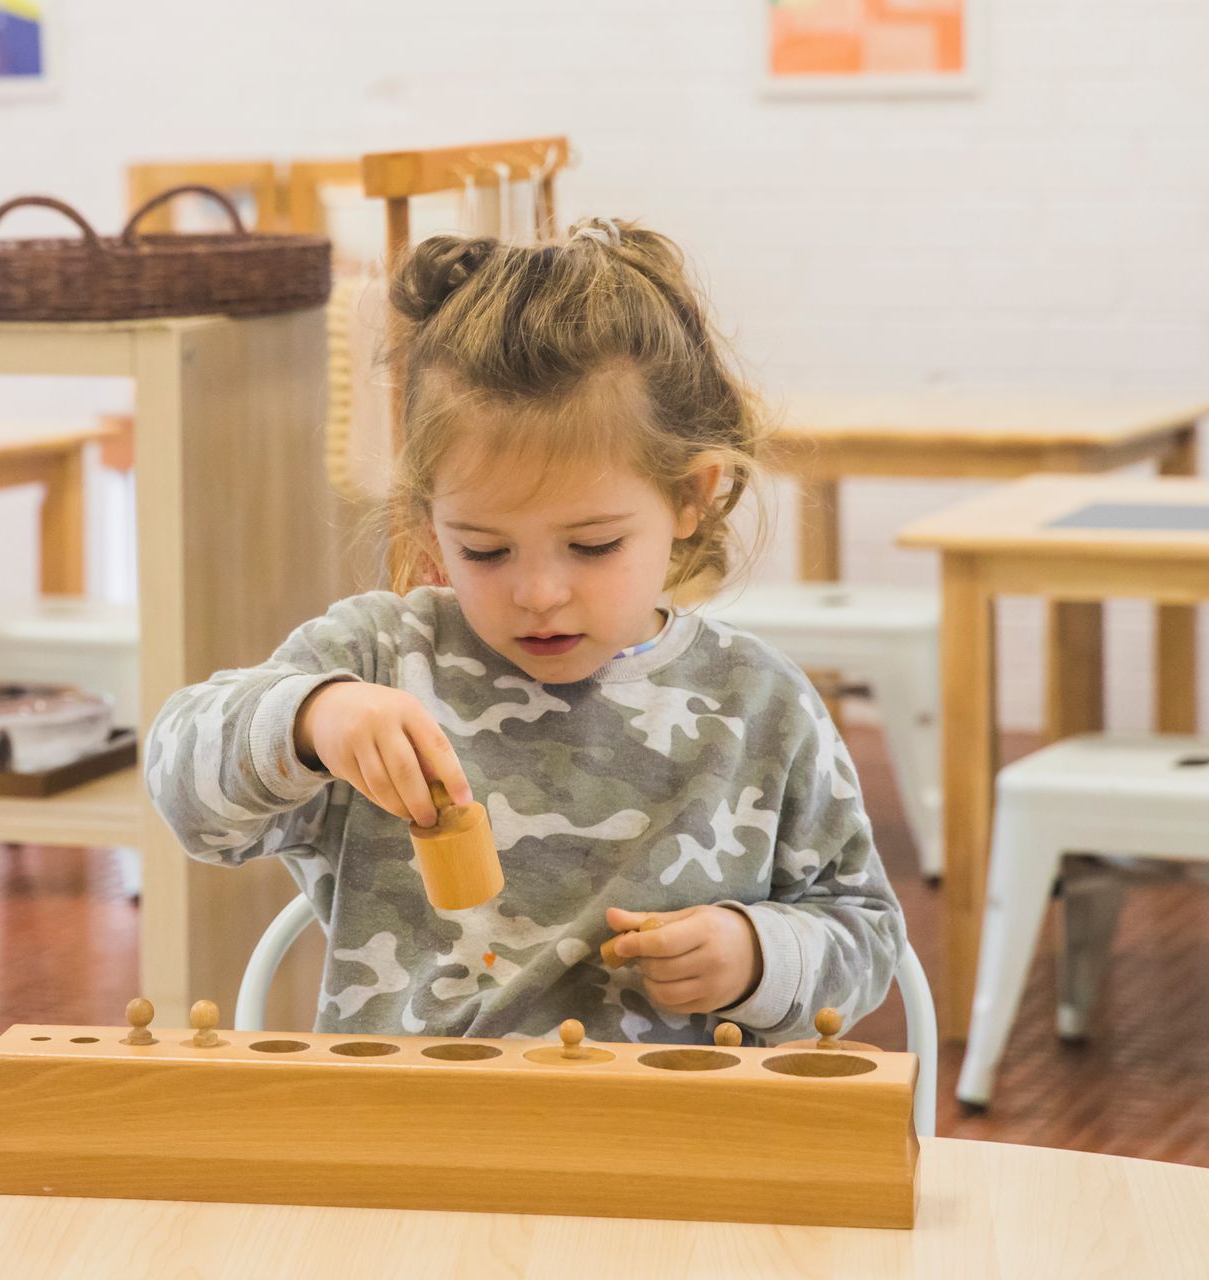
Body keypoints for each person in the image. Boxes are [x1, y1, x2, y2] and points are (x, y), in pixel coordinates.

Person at [145, 217, 904, 1045]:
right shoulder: (379, 661)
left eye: (592, 546)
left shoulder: (760, 706)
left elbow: (863, 931)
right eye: (486, 549)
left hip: (669, 1148)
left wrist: (761, 957)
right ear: (429, 527)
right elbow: (186, 795)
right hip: (414, 1142)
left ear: (690, 497)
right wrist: (310, 719)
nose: (539, 593)